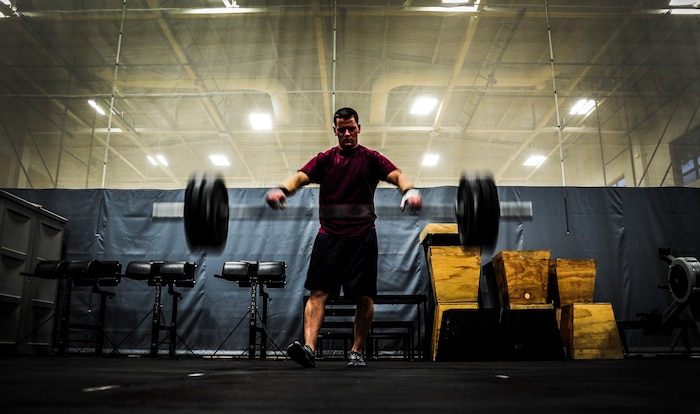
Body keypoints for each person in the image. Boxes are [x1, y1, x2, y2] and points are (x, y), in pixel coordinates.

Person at [265, 107, 422, 368]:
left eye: (351, 128)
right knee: (318, 293)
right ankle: (309, 349)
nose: (347, 133)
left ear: (359, 128)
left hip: (362, 237)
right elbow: (300, 177)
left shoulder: (371, 158)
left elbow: (397, 175)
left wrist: (409, 190)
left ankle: (357, 351)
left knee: (364, 297)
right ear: (335, 130)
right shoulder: (325, 159)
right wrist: (283, 190)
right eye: (342, 129)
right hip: (329, 237)